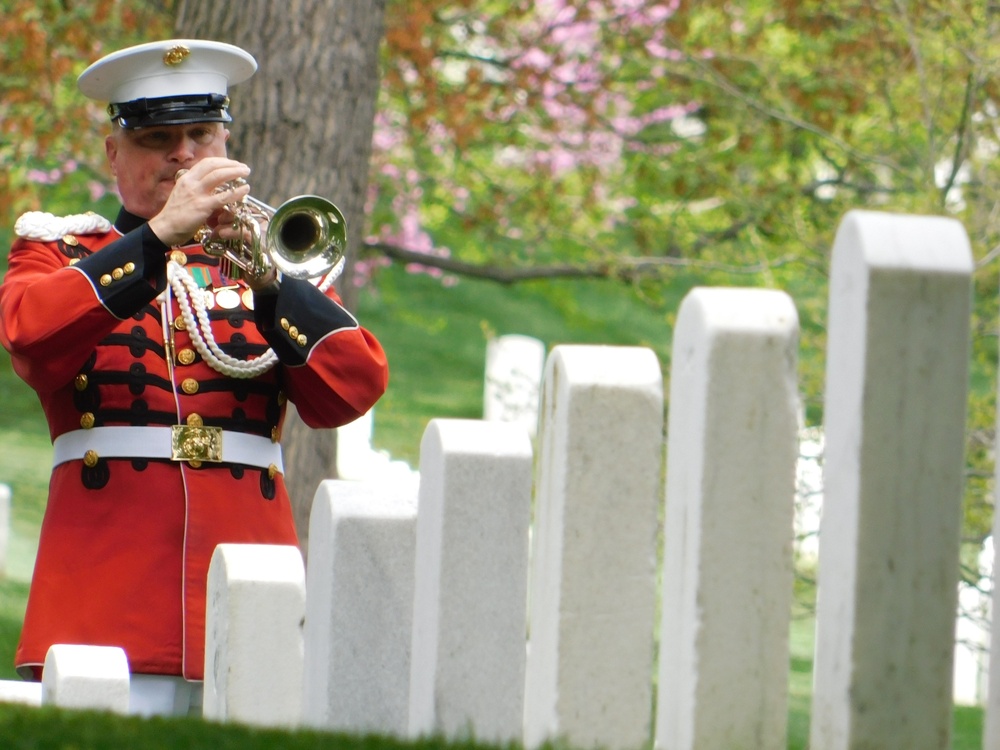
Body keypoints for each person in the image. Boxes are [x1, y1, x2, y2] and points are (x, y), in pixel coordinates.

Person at [0, 39, 389, 715]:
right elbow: (31, 339)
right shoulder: (61, 251)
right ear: (114, 155)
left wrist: (273, 287)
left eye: (201, 135)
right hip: (106, 604)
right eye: (157, 138)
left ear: (227, 143)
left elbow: (352, 390)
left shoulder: (271, 263)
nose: (183, 156)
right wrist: (155, 240)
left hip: (254, 592)